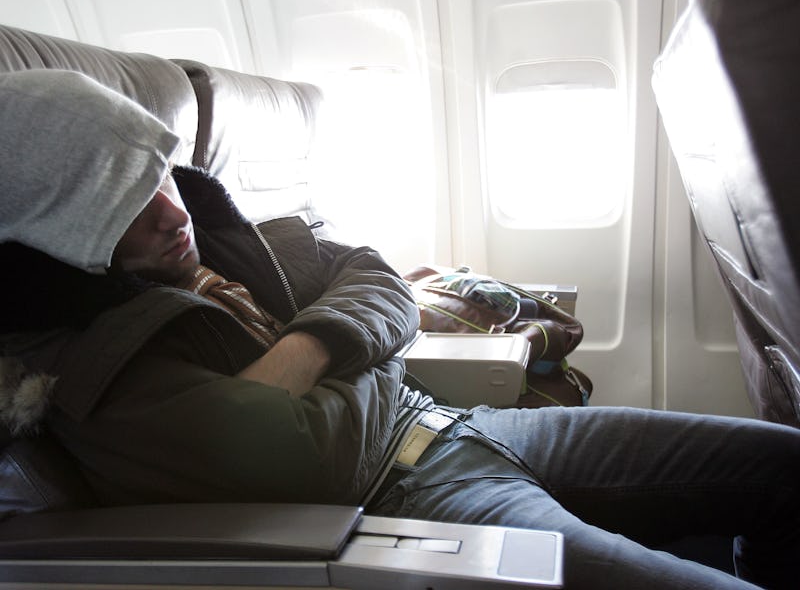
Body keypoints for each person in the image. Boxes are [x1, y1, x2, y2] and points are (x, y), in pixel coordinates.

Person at [1, 69, 798, 590]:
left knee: (785, 465)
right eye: (125, 204)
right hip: (416, 497)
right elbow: (305, 456)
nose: (171, 214)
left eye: (160, 176)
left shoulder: (213, 237)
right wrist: (363, 346)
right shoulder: (95, 370)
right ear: (63, 234)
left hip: (460, 426)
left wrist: (308, 350)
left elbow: (377, 273)